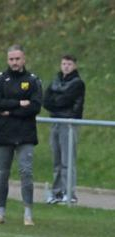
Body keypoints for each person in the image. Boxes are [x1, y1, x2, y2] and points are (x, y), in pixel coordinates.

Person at [0, 45, 42, 226]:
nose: (14, 62)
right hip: (4, 134)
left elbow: (35, 107)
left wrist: (10, 111)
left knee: (26, 172)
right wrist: (20, 103)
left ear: (24, 59)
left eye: (17, 59)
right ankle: (0, 213)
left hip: (25, 134)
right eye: (11, 59)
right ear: (7, 60)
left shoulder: (33, 80)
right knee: (2, 174)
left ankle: (28, 214)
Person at [43, 54, 85, 204]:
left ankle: (69, 192)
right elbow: (46, 100)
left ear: (74, 66)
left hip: (68, 122)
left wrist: (57, 101)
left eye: (69, 64)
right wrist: (57, 102)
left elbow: (65, 100)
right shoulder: (56, 80)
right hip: (55, 121)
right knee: (57, 159)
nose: (66, 66)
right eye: (64, 64)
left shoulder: (77, 83)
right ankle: (57, 192)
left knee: (68, 159)